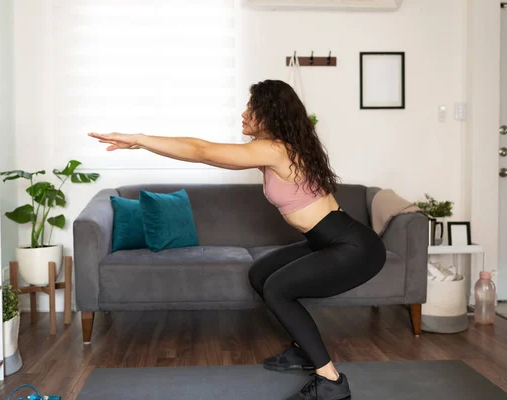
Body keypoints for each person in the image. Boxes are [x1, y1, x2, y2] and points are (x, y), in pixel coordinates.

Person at [88, 79, 387, 400]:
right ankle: (304, 350)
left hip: (353, 246)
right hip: (328, 240)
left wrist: (141, 139)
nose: (244, 114)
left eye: (251, 108)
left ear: (269, 113)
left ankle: (331, 381)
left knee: (278, 289)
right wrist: (147, 145)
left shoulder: (276, 149)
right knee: (260, 274)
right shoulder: (275, 148)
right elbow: (208, 156)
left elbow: (202, 150)